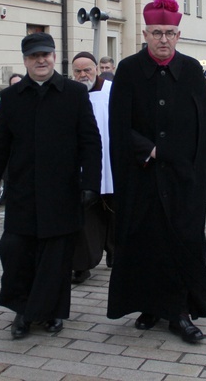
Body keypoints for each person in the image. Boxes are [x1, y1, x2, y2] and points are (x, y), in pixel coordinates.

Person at [0, 32, 102, 339]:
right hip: (23, 191)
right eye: (34, 56)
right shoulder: (11, 97)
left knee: (56, 257)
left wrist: (91, 184)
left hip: (62, 190)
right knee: (16, 252)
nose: (41, 60)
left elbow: (90, 142)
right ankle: (23, 309)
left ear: (53, 56)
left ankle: (52, 312)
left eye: (45, 55)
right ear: (25, 61)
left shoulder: (74, 92)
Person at [107, 0, 206, 343]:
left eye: (169, 33)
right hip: (143, 175)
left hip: (183, 177)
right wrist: (148, 149)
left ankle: (180, 312)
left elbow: (204, 126)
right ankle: (149, 305)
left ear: (178, 35)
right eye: (156, 33)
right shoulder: (129, 69)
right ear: (145, 33)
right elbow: (119, 124)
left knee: (182, 242)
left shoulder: (193, 71)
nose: (163, 39)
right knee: (145, 242)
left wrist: (195, 170)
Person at [70, 51, 115, 284]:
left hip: (111, 162)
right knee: (85, 218)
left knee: (115, 213)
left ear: (97, 69)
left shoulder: (112, 92)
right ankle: (82, 265)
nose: (82, 75)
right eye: (77, 71)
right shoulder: (71, 96)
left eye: (87, 69)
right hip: (84, 168)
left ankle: (115, 252)